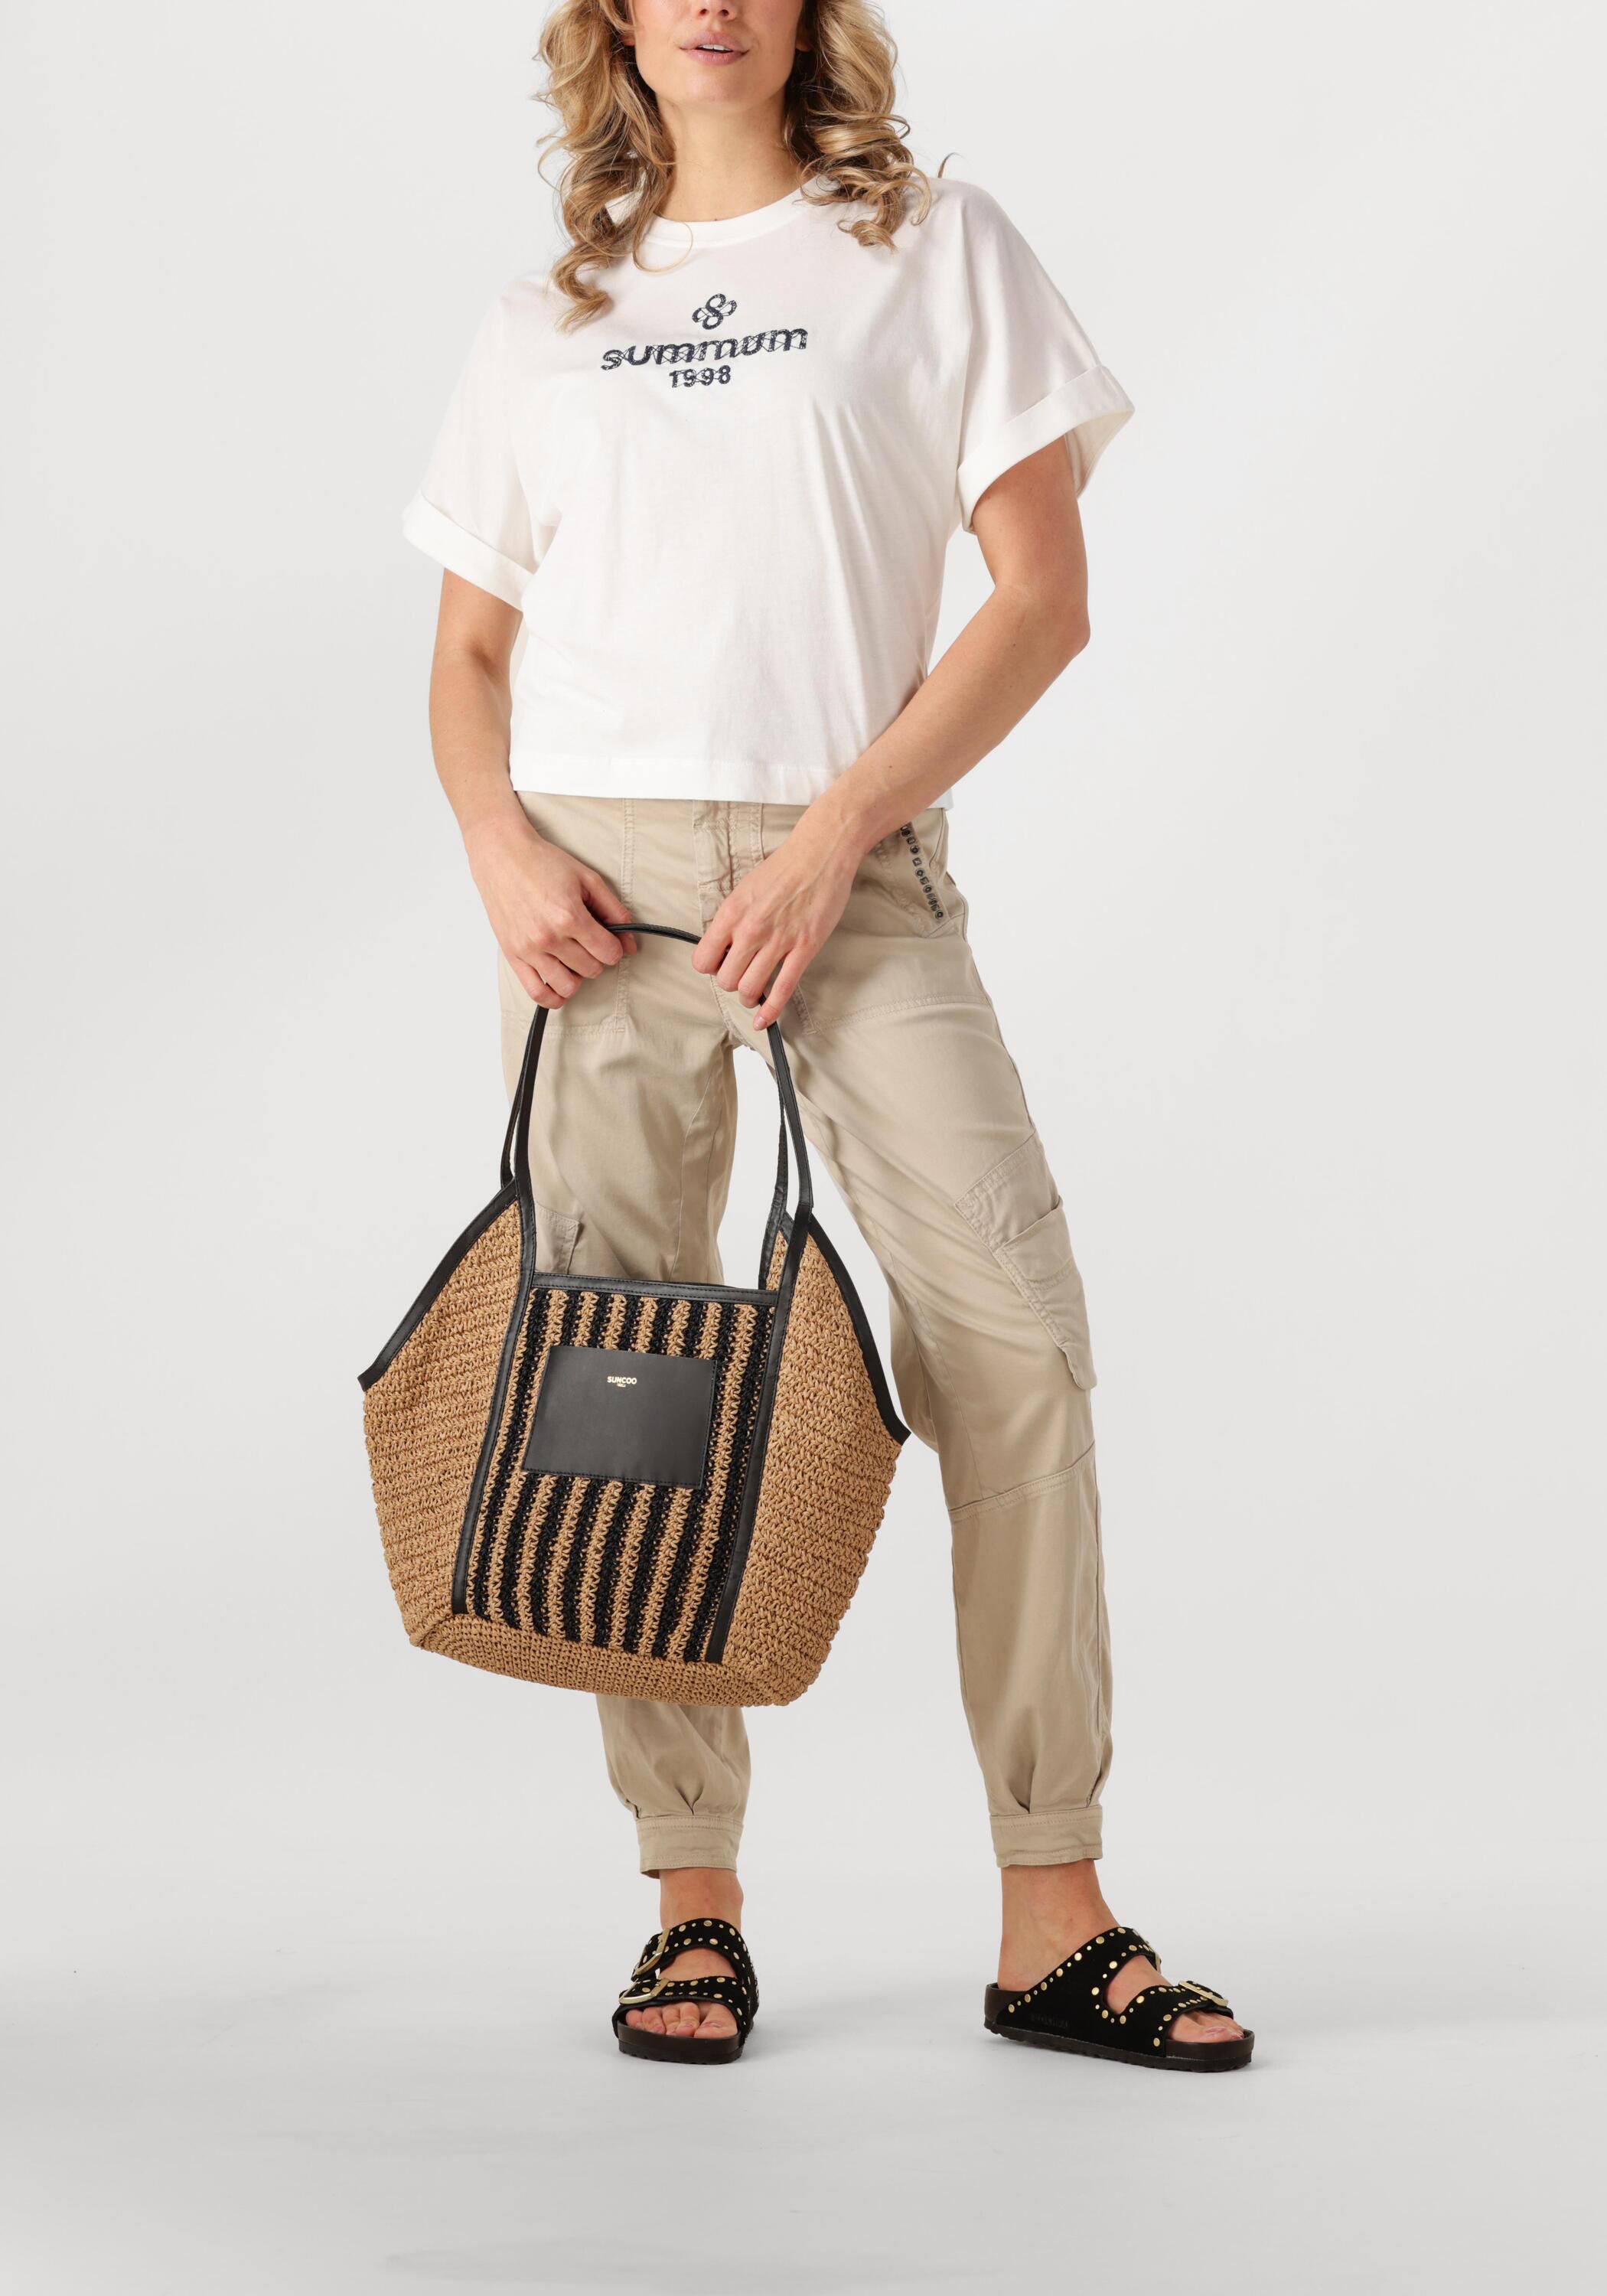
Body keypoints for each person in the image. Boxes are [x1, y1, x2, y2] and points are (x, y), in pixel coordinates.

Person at [403, 0, 1252, 2071]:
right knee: (620, 1373)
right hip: (590, 902)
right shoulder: (548, 317)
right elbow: (469, 653)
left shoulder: (935, 247)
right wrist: (497, 844)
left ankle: (1053, 1913)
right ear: (612, 20)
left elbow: (1041, 597)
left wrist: (835, 835)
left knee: (1014, 1343)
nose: (710, 0)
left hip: (847, 869)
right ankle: (687, 1898)